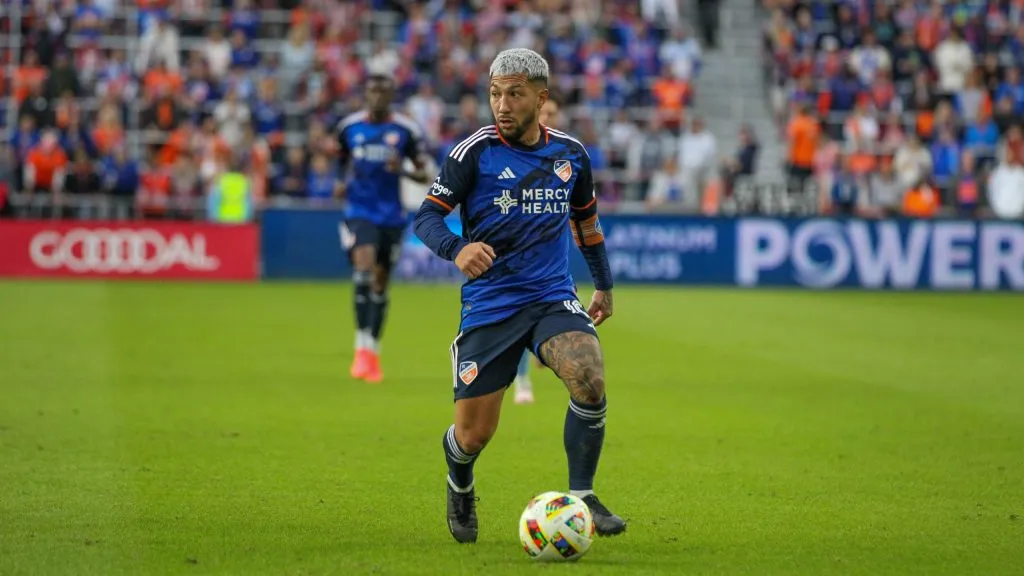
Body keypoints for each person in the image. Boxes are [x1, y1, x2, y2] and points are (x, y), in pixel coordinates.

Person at [413, 48, 626, 544]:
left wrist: (605, 284)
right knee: (472, 437)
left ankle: (584, 495)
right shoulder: (475, 152)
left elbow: (587, 225)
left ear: (541, 99)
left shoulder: (570, 156)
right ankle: (459, 478)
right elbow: (425, 216)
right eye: (494, 94)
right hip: (491, 305)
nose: (502, 105)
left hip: (551, 296)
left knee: (588, 375)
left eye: (514, 94)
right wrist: (457, 247)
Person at [337, 74, 431, 383]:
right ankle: (360, 346)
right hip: (359, 211)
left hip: (391, 215)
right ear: (366, 94)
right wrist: (340, 182)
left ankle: (373, 351)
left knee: (380, 283)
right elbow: (340, 158)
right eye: (372, 91)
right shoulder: (350, 128)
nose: (377, 97)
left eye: (383, 92)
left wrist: (401, 169)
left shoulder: (405, 131)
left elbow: (424, 174)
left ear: (391, 96)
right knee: (363, 269)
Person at [511, 95, 563, 405]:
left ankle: (540, 348)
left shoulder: (567, 154)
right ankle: (522, 382)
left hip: (553, 255)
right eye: (548, 113)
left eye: (556, 113)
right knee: (519, 314)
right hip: (518, 253)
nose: (553, 119)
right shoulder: (515, 153)